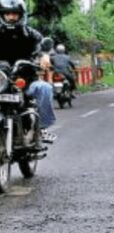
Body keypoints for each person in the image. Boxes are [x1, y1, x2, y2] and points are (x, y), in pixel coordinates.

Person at [0, 0, 55, 142]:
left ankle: (42, 128)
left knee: (44, 88)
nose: (11, 17)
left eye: (14, 14)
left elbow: (42, 47)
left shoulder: (31, 34)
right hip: (1, 81)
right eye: (7, 14)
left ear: (21, 15)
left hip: (26, 81)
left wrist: (44, 56)